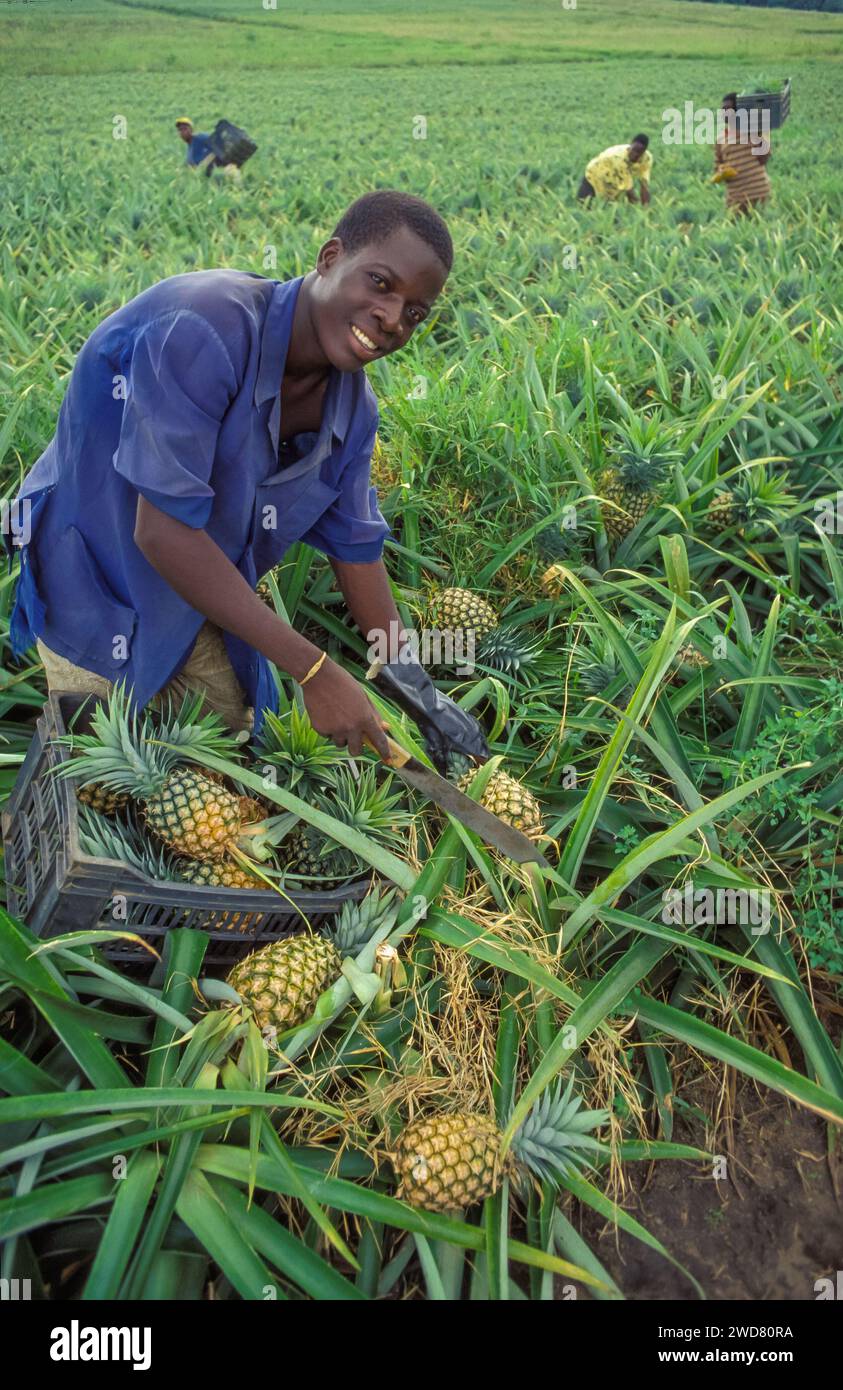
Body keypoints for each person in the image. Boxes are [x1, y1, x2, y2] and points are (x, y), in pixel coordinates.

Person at [6, 191, 488, 771]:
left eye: (415, 312)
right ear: (330, 257)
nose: (392, 319)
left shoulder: (353, 412)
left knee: (223, 774)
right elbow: (161, 533)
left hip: (201, 594)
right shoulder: (203, 327)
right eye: (381, 284)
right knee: (102, 779)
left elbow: (357, 550)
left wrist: (418, 689)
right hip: (93, 582)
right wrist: (314, 670)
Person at [714, 94, 771, 214]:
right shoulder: (720, 138)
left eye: (729, 108)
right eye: (723, 109)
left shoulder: (752, 131)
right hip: (735, 197)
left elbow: (764, 158)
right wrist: (721, 171)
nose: (725, 112)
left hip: (758, 192)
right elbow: (718, 164)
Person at [578, 134, 652, 206]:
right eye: (634, 150)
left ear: (644, 151)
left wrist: (646, 207)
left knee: (609, 207)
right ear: (630, 146)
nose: (635, 154)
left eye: (639, 152)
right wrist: (637, 207)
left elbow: (644, 185)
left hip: (612, 180)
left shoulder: (647, 159)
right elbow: (629, 191)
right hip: (594, 174)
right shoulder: (618, 158)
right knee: (584, 204)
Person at [175, 117, 240, 179]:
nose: (182, 132)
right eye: (180, 130)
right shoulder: (189, 150)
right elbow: (188, 164)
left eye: (185, 128)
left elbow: (219, 144)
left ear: (191, 130)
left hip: (215, 167)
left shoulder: (199, 138)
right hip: (204, 176)